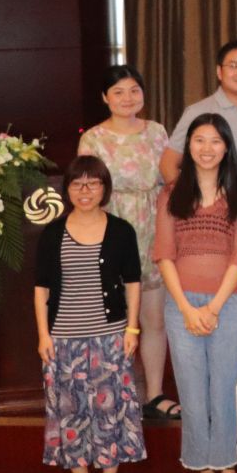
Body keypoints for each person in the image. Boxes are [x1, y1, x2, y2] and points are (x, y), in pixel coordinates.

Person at [35, 155, 144, 473]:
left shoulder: (121, 231)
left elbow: (133, 283)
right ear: (67, 189)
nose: (85, 191)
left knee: (111, 409)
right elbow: (41, 289)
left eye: (93, 183)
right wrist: (43, 335)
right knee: (69, 411)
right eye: (77, 183)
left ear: (104, 188)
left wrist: (132, 328)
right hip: (63, 339)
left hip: (110, 336)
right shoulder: (52, 233)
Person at [154, 113, 237, 473]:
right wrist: (186, 308)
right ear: (188, 146)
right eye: (199, 140)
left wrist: (212, 307)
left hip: (226, 305)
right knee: (193, 395)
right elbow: (164, 253)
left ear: (226, 147)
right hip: (181, 306)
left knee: (223, 392)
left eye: (215, 141)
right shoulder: (171, 194)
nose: (206, 148)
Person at [78, 64, 174, 421]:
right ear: (105, 98)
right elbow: (85, 190)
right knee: (114, 320)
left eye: (134, 90)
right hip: (111, 230)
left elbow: (170, 182)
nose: (127, 98)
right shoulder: (93, 139)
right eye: (118, 92)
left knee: (154, 319)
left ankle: (155, 394)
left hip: (153, 228)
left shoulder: (157, 132)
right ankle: (117, 392)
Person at [161, 39, 237, 188]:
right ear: (219, 71)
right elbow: (168, 164)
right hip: (217, 202)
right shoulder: (198, 112)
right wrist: (188, 198)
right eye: (233, 66)